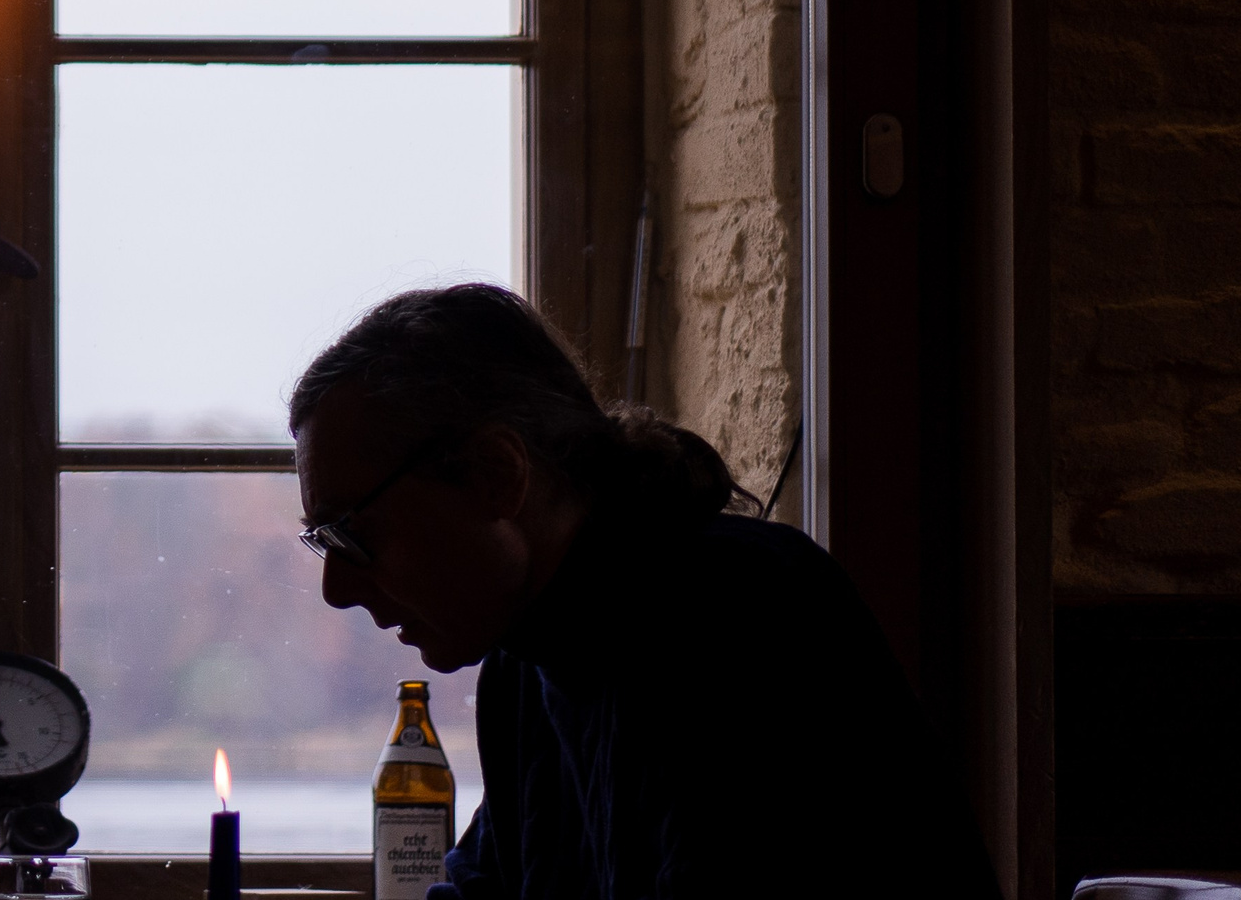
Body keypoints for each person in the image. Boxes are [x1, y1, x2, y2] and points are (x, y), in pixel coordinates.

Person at [289, 284, 998, 900]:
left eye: (351, 534)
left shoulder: (738, 621)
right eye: (321, 543)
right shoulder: (524, 666)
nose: (335, 590)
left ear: (496, 474)